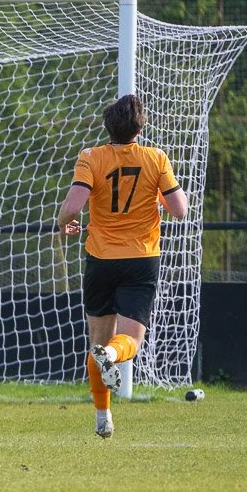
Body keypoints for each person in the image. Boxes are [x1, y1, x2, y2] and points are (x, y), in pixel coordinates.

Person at [56, 94, 189, 438]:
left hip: (100, 259)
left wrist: (67, 226)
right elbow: (180, 210)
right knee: (127, 341)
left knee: (96, 342)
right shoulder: (156, 158)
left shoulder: (90, 157)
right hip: (140, 259)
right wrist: (161, 194)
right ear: (140, 128)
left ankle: (103, 418)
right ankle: (113, 355)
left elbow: (72, 208)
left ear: (107, 127)